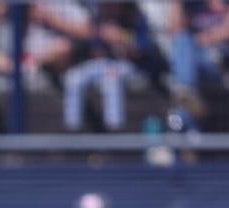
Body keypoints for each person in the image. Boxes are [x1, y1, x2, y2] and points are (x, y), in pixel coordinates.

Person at [60, 1, 166, 132]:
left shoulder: (137, 18)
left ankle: (115, 131)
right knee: (73, 77)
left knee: (111, 79)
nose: (111, 6)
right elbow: (94, 52)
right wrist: (103, 37)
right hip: (104, 64)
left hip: (132, 67)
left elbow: (144, 52)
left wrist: (122, 39)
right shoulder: (101, 19)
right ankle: (73, 130)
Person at [168, 1, 229, 132]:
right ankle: (187, 93)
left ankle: (186, 132)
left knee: (185, 53)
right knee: (183, 42)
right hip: (196, 60)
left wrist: (199, 40)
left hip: (225, 61)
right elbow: (175, 31)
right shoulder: (192, 4)